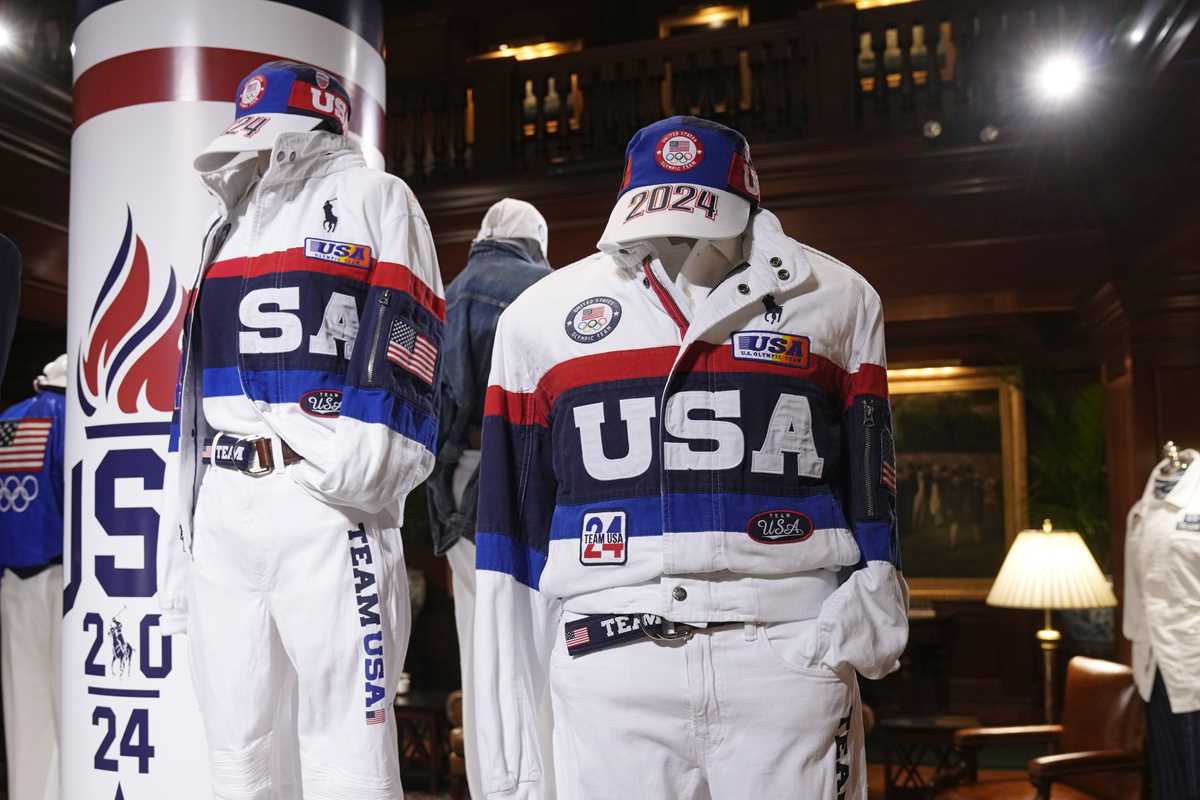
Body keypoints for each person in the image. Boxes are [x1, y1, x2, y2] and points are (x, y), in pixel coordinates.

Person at [474, 116, 908, 799]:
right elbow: (510, 536)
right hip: (610, 665)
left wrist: (871, 605)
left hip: (786, 655)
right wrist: (512, 768)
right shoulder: (539, 318)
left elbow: (873, 481)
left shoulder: (838, 298)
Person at [158, 60, 444, 799]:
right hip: (224, 508)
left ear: (317, 126)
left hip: (324, 505)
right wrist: (185, 522)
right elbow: (193, 387)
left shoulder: (377, 198)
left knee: (348, 753)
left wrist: (353, 476)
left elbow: (407, 337)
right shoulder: (225, 226)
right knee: (237, 750)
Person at [426, 197, 554, 799]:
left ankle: (491, 786)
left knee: (479, 646)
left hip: (461, 480)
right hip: (526, 479)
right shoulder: (547, 292)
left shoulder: (447, 296)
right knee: (536, 643)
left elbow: (436, 407)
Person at [0, 354, 66, 800]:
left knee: (23, 711)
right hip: (64, 578)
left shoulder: (9, 419)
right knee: (70, 711)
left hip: (12, 580)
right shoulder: (71, 421)